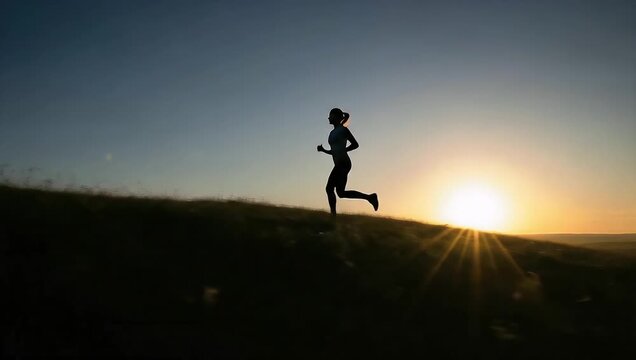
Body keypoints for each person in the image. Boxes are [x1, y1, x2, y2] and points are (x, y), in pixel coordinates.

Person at [317, 108, 379, 216]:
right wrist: (324, 150)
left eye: (330, 115)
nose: (328, 118)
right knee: (341, 193)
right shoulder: (332, 133)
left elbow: (355, 144)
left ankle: (333, 216)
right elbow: (334, 151)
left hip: (344, 163)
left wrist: (344, 150)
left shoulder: (343, 130)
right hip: (339, 163)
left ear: (336, 117)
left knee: (329, 188)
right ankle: (370, 197)